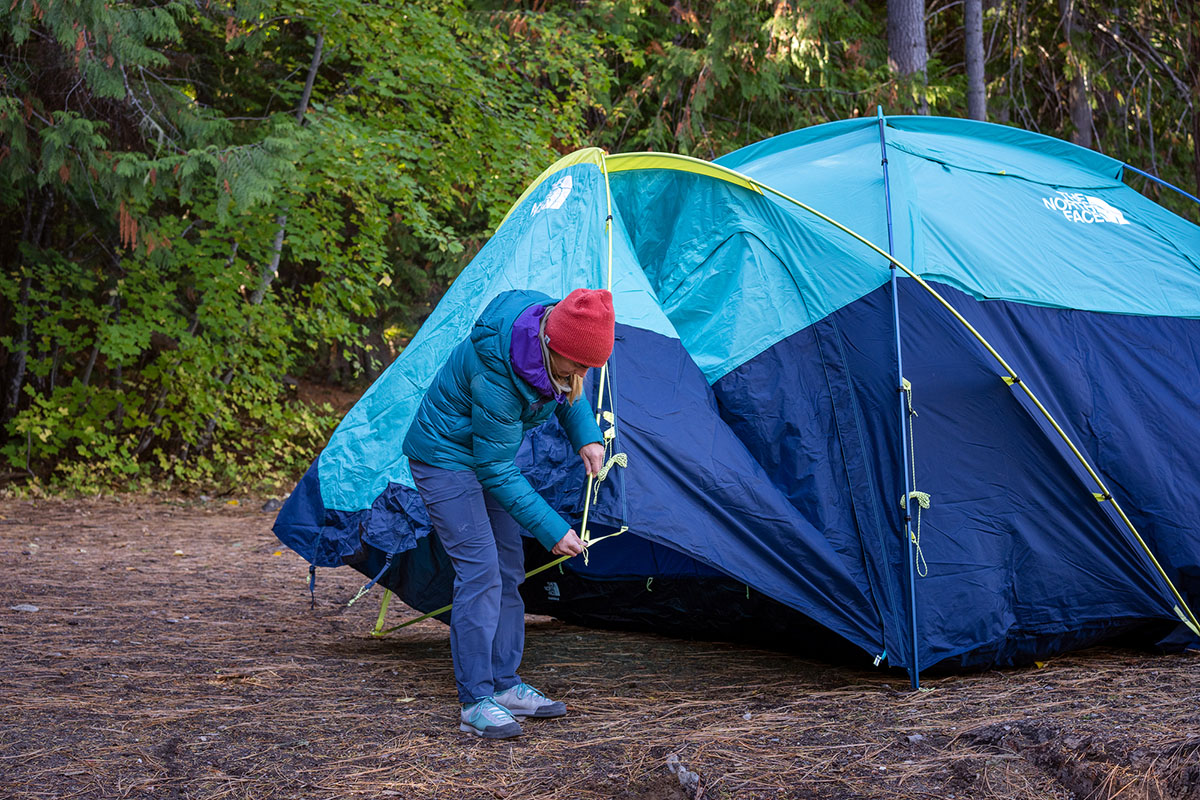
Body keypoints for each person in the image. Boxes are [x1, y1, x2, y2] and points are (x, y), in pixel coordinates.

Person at [402, 287, 614, 739]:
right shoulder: (497, 369)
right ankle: (475, 699)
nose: (582, 373)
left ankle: (505, 684)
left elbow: (568, 392)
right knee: (480, 571)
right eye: (577, 364)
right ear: (551, 345)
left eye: (589, 367)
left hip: (484, 455)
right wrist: (553, 528)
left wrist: (587, 435)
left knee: (508, 567)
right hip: (443, 457)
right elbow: (495, 467)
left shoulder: (558, 334)